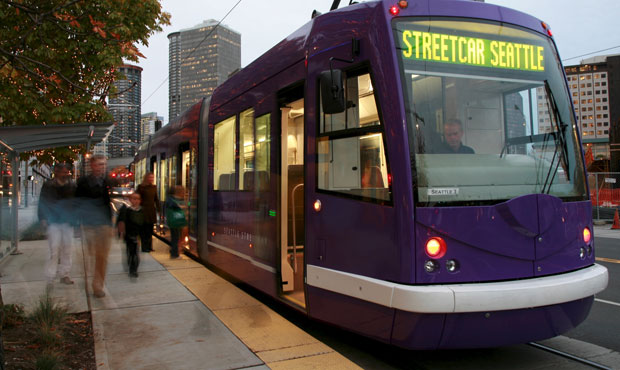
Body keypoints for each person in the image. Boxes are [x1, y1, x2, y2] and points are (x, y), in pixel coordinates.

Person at [76, 155, 113, 298]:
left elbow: (107, 203)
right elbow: (77, 203)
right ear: (92, 165)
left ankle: (98, 285)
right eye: (99, 164)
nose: (102, 167)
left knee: (102, 256)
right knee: (90, 256)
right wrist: (76, 225)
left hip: (104, 224)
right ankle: (91, 280)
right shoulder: (83, 182)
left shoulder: (105, 181)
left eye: (103, 164)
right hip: (89, 224)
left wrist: (112, 224)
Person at [38, 162, 76, 287]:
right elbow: (42, 202)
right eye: (63, 172)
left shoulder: (71, 185)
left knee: (67, 248)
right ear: (57, 172)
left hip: (67, 221)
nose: (65, 174)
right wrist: (43, 218)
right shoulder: (48, 185)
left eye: (67, 172)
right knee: (53, 250)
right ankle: (50, 277)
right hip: (53, 221)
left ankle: (65, 274)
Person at [117, 193, 144, 278]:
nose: (136, 201)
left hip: (137, 234)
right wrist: (121, 233)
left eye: (138, 199)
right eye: (134, 199)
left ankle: (133, 269)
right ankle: (131, 268)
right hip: (129, 234)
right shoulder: (126, 210)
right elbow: (121, 222)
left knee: (135, 252)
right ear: (130, 200)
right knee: (131, 251)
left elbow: (145, 224)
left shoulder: (142, 211)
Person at [136, 172, 159, 252]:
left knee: (150, 229)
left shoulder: (154, 187)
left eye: (152, 178)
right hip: (143, 210)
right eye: (150, 177)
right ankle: (144, 247)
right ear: (146, 178)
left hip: (151, 210)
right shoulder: (141, 187)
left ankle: (149, 246)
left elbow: (156, 199)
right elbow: (137, 198)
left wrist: (159, 210)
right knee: (144, 230)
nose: (151, 179)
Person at [164, 185, 187, 259]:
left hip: (175, 221)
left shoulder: (171, 198)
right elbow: (173, 205)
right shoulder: (171, 199)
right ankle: (174, 254)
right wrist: (180, 207)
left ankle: (174, 251)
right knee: (175, 238)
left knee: (175, 237)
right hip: (175, 222)